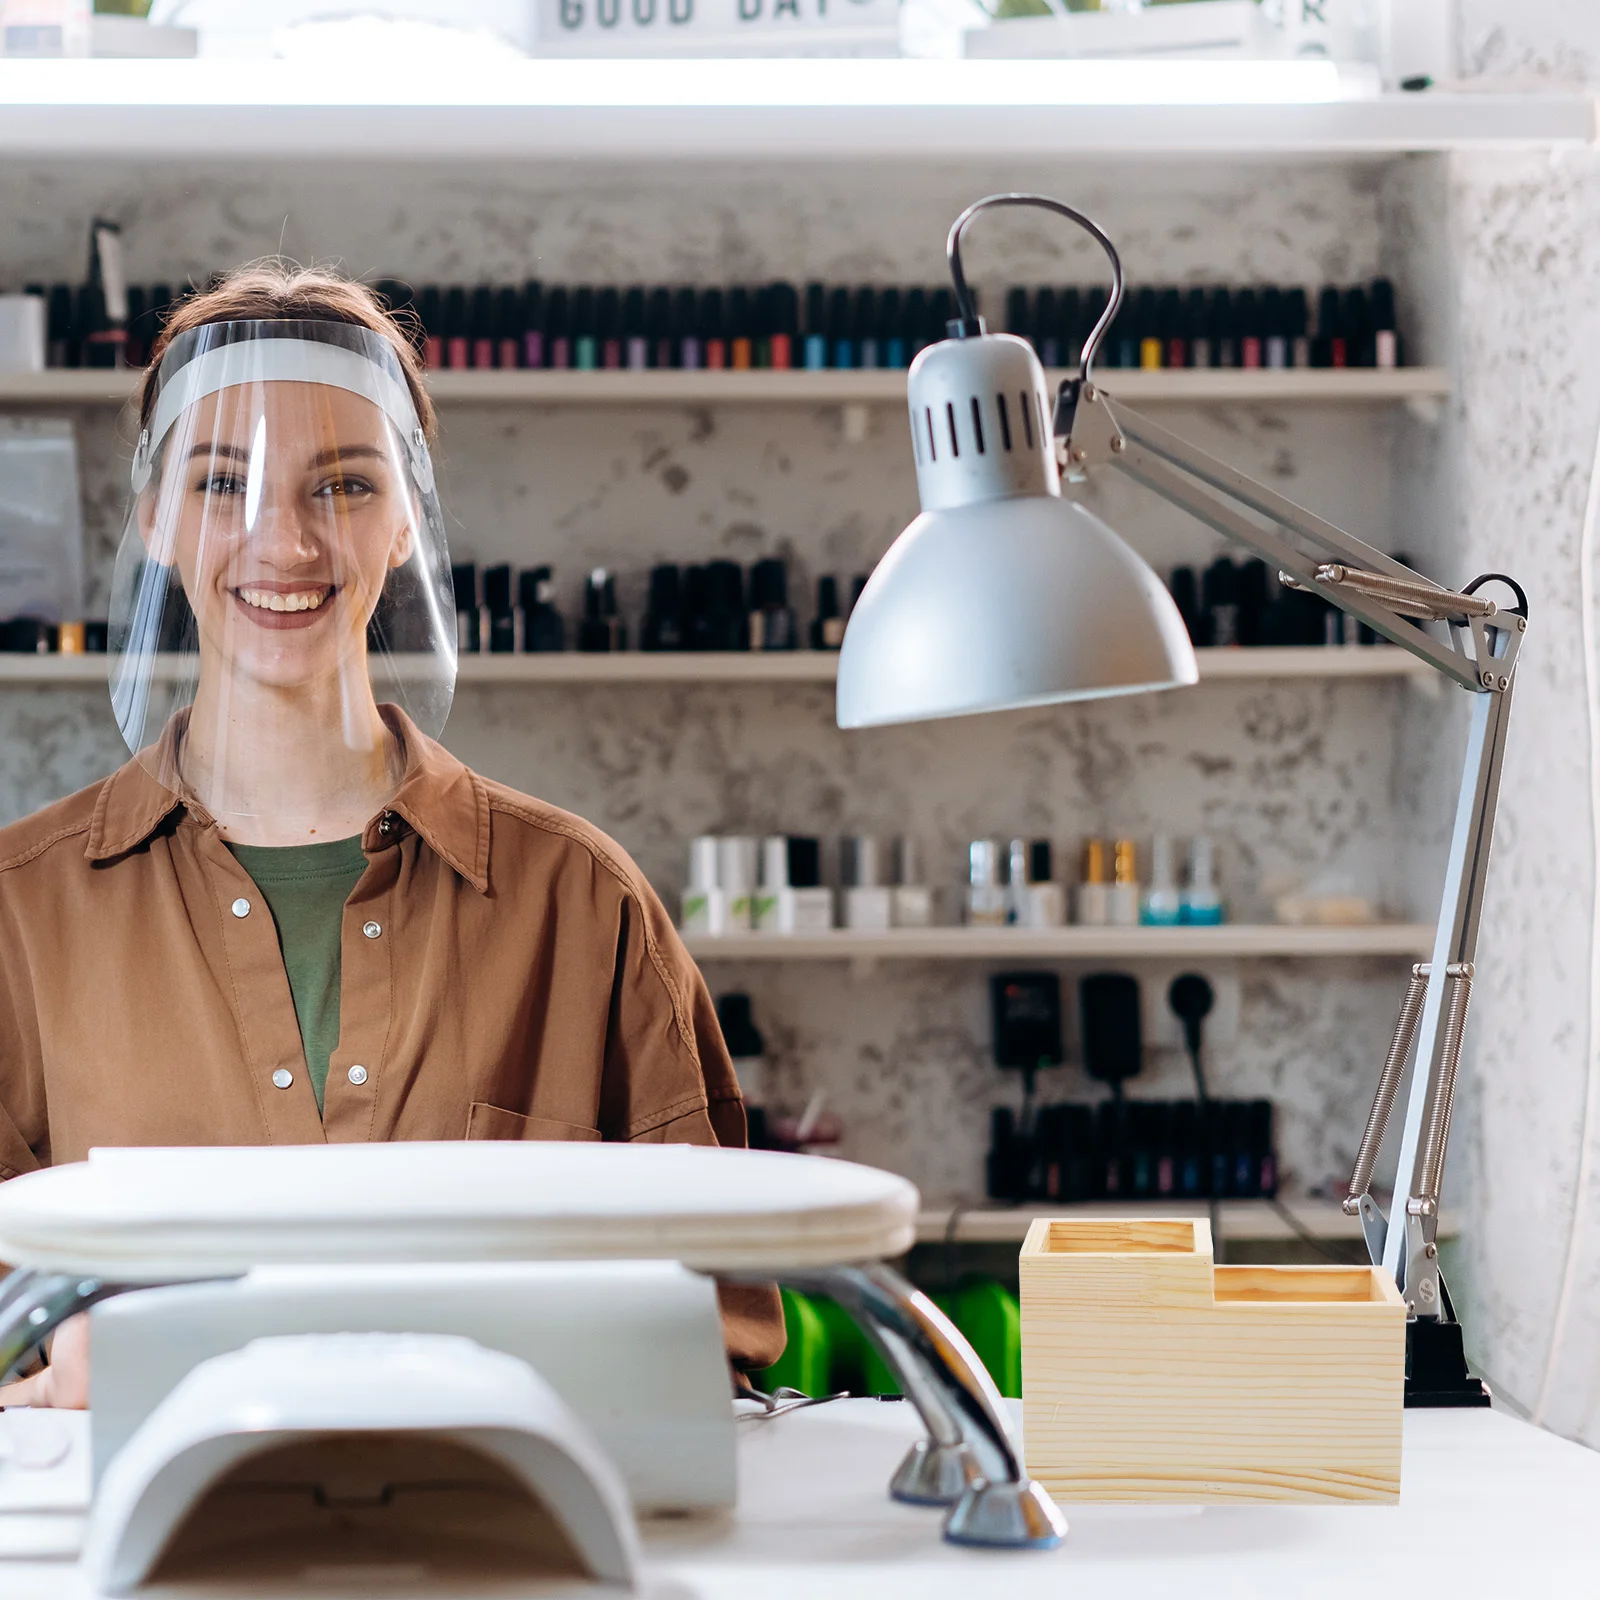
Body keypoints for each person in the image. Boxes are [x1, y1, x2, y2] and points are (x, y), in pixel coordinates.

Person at [0, 264, 783, 1406]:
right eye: (224, 484)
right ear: (153, 517)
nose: (284, 542)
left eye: (344, 486)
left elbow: (721, 1327)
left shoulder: (581, 903)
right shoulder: (20, 915)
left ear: (406, 515)